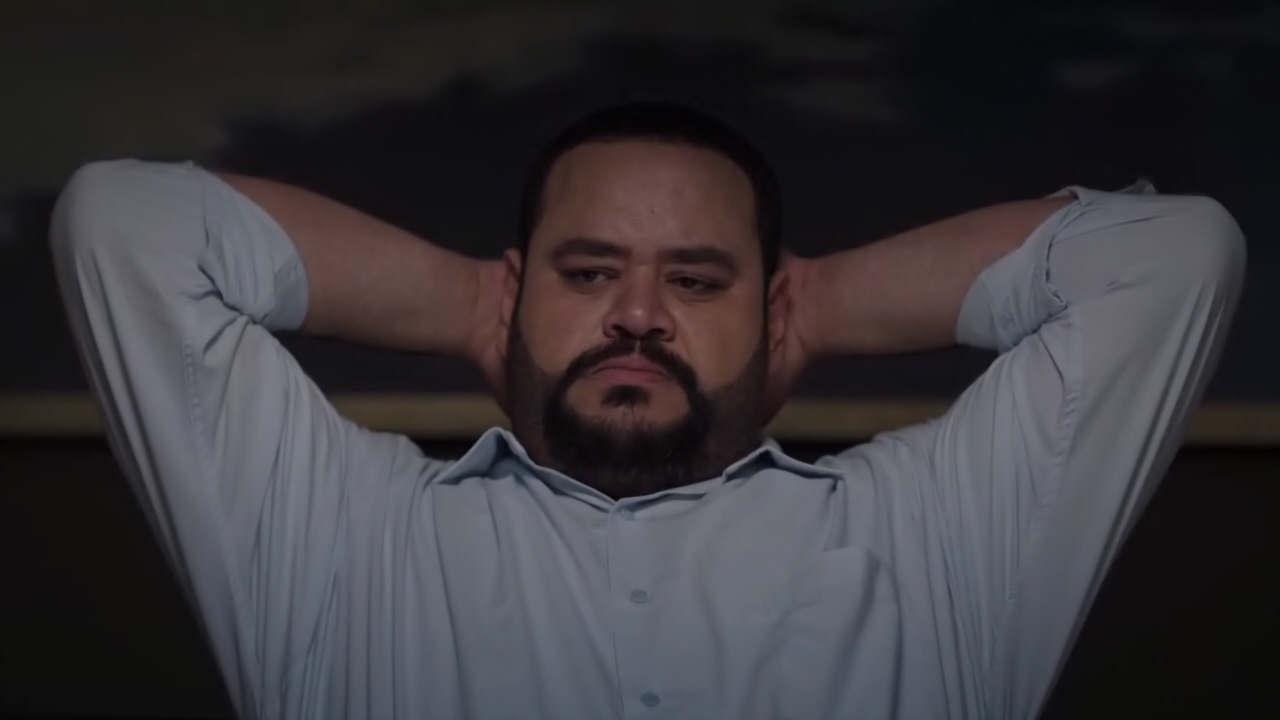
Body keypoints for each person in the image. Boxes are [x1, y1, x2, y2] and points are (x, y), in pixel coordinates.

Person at [51, 102, 1244, 720]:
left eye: (696, 282)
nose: (634, 316)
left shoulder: (930, 534)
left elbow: (1169, 253)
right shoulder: (340, 536)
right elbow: (125, 222)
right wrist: (470, 305)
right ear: (518, 292)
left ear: (767, 308)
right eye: (585, 274)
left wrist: (818, 304)